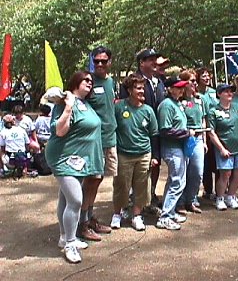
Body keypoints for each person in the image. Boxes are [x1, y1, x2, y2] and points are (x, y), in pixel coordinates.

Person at [45, 71, 103, 263]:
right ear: (75, 82)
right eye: (86, 79)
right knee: (76, 200)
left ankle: (64, 237)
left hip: (79, 160)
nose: (90, 82)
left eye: (91, 81)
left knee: (66, 197)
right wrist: (68, 105)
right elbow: (60, 131)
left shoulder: (86, 104)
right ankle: (70, 243)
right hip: (62, 157)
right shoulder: (64, 102)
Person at [110, 73, 159, 230]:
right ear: (130, 90)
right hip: (123, 154)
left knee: (141, 187)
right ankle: (117, 214)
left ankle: (137, 216)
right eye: (138, 88)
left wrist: (155, 156)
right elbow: (112, 129)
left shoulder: (148, 111)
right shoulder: (119, 107)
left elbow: (154, 135)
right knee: (121, 186)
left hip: (144, 154)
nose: (142, 91)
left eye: (143, 87)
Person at [78, 46, 117, 242]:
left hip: (110, 139)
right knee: (91, 180)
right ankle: (82, 223)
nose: (100, 64)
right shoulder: (88, 81)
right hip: (94, 141)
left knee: (99, 179)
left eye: (104, 61)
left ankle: (89, 217)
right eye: (97, 61)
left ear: (110, 62)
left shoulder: (111, 81)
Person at [156, 79, 193, 230]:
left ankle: (169, 211)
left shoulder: (177, 104)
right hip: (172, 148)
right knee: (177, 182)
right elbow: (165, 130)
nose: (181, 91)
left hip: (180, 147)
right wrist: (186, 133)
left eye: (182, 88)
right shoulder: (166, 105)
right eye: (178, 88)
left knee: (175, 180)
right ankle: (165, 217)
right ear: (170, 89)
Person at [208, 84, 238, 210]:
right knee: (225, 173)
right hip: (225, 148)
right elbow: (211, 132)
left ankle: (231, 196)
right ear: (219, 94)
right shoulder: (213, 111)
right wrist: (221, 149)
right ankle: (220, 197)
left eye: (231, 91)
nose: (229, 94)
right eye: (226, 91)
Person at [136, 48, 166, 212]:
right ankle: (136, 200)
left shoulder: (160, 81)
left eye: (155, 59)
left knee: (155, 164)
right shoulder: (134, 80)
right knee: (139, 166)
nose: (155, 62)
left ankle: (151, 196)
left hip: (157, 132)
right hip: (140, 131)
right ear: (142, 63)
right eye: (150, 59)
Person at [176, 70, 206, 214]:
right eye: (192, 81)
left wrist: (204, 141)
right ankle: (180, 202)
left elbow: (203, 119)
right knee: (183, 172)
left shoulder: (199, 100)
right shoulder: (179, 102)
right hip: (184, 139)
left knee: (197, 171)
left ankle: (191, 199)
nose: (195, 84)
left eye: (195, 81)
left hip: (199, 138)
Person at [195, 67, 218, 200]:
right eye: (203, 76)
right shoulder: (196, 94)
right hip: (203, 131)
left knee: (217, 161)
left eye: (208, 75)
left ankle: (220, 190)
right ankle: (207, 190)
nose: (207, 78)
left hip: (215, 130)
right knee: (206, 163)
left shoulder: (214, 93)